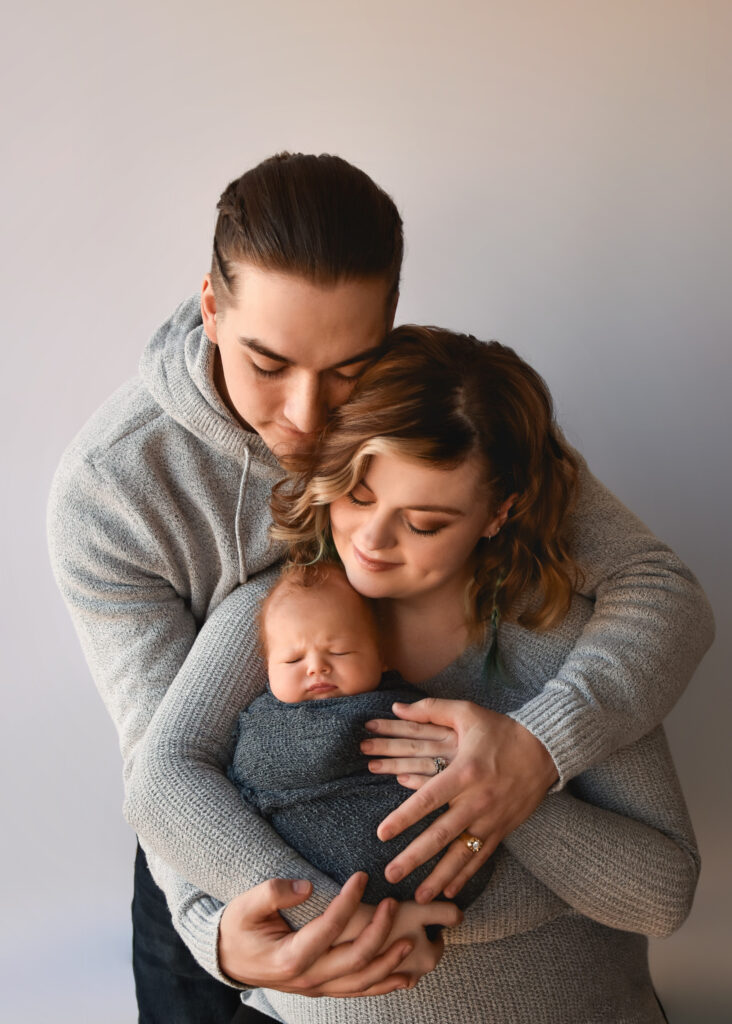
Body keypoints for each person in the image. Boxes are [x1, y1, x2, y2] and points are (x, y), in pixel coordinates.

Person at [48, 152, 713, 1019]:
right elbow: (166, 764)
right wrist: (218, 933)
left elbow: (659, 590)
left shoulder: (427, 421)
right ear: (211, 309)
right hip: (241, 817)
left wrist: (535, 753)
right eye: (269, 363)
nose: (310, 417)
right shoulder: (113, 491)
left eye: (350, 370)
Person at [127, 327, 706, 1021]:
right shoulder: (281, 619)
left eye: (425, 522)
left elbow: (663, 895)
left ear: (500, 512)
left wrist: (500, 795)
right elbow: (161, 780)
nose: (370, 542)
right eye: (358, 494)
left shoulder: (559, 643)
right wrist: (334, 918)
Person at [231, 561, 493, 906]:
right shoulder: (265, 721)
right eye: (293, 660)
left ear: (382, 656)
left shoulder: (409, 704)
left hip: (447, 877)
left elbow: (466, 766)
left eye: (339, 651)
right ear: (267, 670)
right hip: (320, 891)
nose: (316, 667)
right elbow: (252, 771)